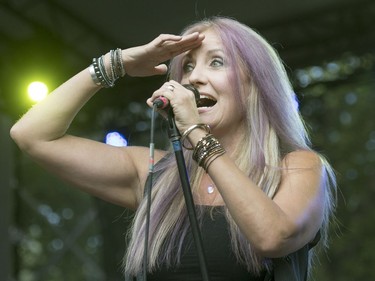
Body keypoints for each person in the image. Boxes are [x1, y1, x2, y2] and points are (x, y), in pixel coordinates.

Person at [10, 16, 336, 281]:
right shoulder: (155, 173)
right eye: (188, 67)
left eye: (217, 62)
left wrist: (195, 132)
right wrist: (117, 63)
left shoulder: (298, 167)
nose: (195, 78)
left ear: (256, 83)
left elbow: (271, 237)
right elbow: (33, 135)